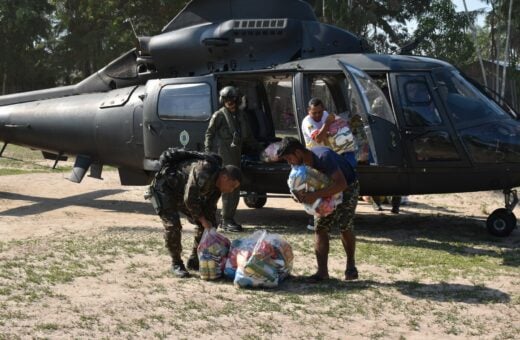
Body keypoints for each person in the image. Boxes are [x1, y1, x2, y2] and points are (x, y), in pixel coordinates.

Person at [147, 149, 242, 278]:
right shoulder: (204, 170)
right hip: (165, 188)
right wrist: (202, 220)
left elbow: (209, 209)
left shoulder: (217, 187)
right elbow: (189, 199)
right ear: (224, 178)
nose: (231, 190)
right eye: (232, 186)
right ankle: (176, 264)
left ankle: (195, 260)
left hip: (181, 192)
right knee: (173, 225)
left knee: (209, 223)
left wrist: (209, 225)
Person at [277, 137, 360, 282]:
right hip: (324, 190)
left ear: (298, 152)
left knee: (344, 226)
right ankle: (322, 273)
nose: (289, 162)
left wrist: (314, 195)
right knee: (320, 228)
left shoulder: (323, 156)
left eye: (289, 158)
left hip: (347, 187)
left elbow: (341, 184)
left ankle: (351, 268)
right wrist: (298, 196)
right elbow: (299, 185)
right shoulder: (299, 164)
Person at [204, 85, 259, 232]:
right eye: (227, 99)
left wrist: (259, 148)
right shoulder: (220, 115)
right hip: (225, 154)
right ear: (223, 100)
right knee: (229, 186)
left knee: (236, 186)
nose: (230, 102)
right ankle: (226, 219)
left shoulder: (240, 115)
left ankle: (228, 218)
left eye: (232, 99)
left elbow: (247, 135)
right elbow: (209, 134)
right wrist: (208, 153)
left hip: (237, 153)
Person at [301, 98, 357, 230]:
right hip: (316, 158)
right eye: (314, 113)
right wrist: (327, 124)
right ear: (308, 111)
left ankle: (334, 214)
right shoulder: (307, 122)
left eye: (320, 112)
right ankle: (313, 219)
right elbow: (319, 138)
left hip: (330, 156)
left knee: (334, 186)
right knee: (319, 187)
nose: (317, 115)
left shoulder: (326, 115)